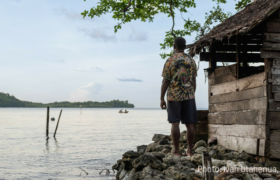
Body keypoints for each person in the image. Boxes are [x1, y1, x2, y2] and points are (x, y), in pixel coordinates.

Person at [160, 37, 198, 157]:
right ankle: (190, 151)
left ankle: (176, 151)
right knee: (190, 123)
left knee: (175, 123)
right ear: (185, 46)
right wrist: (192, 93)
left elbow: (165, 81)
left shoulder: (170, 60)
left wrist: (161, 98)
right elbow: (193, 79)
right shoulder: (191, 60)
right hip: (189, 95)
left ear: (174, 46)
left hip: (174, 96)